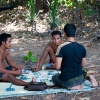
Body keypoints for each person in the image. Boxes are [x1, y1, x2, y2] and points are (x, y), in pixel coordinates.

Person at [52, 23, 98, 90]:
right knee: (82, 73)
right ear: (74, 33)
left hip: (68, 80)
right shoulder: (82, 47)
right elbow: (83, 65)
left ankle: (71, 86)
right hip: (80, 78)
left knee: (54, 78)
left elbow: (57, 67)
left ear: (64, 33)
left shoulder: (61, 47)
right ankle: (89, 77)